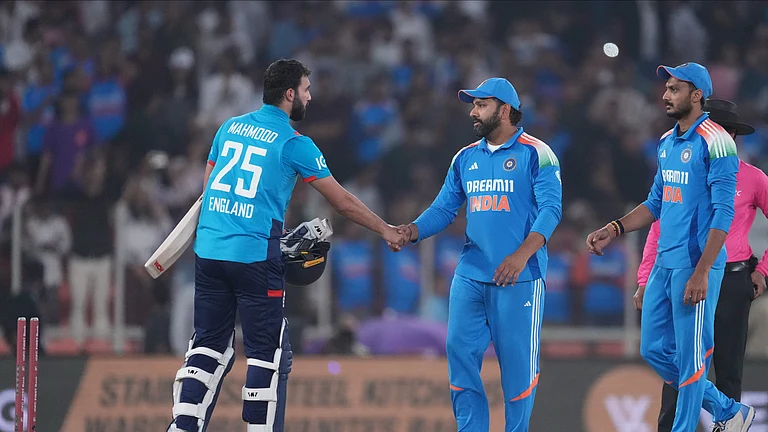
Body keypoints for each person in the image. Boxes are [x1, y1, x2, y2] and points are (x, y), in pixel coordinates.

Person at [166, 59, 407, 432]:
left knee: (207, 348)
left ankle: (182, 426)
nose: (310, 98)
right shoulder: (295, 143)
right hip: (255, 257)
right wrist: (386, 229)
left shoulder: (228, 128)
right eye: (307, 90)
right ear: (290, 93)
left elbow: (209, 186)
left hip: (210, 251)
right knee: (269, 356)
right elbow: (341, 202)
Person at [586, 62, 754, 432]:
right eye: (667, 88)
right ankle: (727, 408)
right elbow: (655, 203)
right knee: (653, 350)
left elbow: (723, 213)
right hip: (665, 263)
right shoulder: (666, 141)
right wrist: (615, 228)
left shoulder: (717, 141)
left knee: (692, 360)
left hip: (696, 263)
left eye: (675, 89)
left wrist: (702, 272)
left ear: (697, 95)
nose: (665, 95)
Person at [396, 77, 563, 431]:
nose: (473, 111)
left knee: (518, 369)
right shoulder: (465, 157)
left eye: (481, 104)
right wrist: (412, 231)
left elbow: (551, 210)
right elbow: (444, 209)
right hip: (471, 273)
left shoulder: (537, 153)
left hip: (520, 276)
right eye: (473, 104)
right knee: (460, 355)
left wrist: (521, 255)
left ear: (505, 110)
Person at [635, 98, 768, 431]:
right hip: (688, 273)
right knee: (677, 360)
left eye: (719, 130)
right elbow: (659, 224)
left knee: (727, 368)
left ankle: (728, 418)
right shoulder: (685, 170)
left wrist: (763, 269)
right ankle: (699, 420)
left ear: (732, 136)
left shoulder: (753, 178)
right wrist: (644, 278)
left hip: (733, 279)